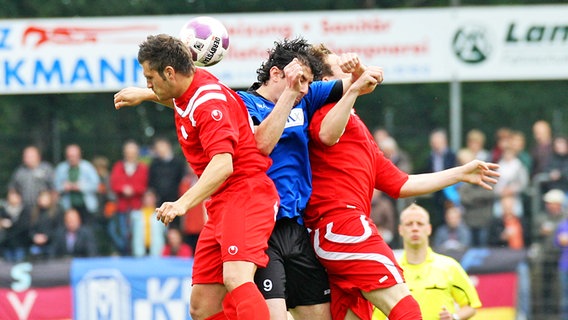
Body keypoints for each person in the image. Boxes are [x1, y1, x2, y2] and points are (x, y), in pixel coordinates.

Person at [304, 45, 498, 320]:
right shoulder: (325, 110)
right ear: (326, 83)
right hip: (342, 227)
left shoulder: (356, 127)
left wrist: (460, 173)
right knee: (406, 309)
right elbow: (326, 135)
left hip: (338, 233)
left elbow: (401, 184)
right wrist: (354, 88)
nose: (350, 70)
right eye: (340, 67)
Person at [114, 34, 279, 320]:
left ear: (169, 72)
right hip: (222, 201)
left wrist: (181, 204)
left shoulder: (208, 105)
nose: (148, 83)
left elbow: (223, 164)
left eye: (150, 78)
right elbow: (180, 100)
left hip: (245, 194)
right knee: (202, 306)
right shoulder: (187, 87)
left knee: (237, 277)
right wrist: (145, 94)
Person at [373, 204, 482, 320]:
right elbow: (376, 316)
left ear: (429, 229)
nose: (415, 228)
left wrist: (454, 317)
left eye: (420, 224)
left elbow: (472, 305)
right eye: (409, 224)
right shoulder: (390, 272)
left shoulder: (449, 266)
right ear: (400, 229)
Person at [109, 140, 149, 256]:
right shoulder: (118, 166)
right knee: (120, 233)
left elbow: (143, 185)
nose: (130, 155)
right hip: (121, 207)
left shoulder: (142, 168)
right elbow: (114, 184)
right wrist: (123, 189)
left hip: (137, 207)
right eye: (128, 152)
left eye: (133, 152)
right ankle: (124, 254)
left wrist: (133, 190)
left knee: (137, 235)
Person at [534, 189, 566, 316]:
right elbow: (534, 233)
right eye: (547, 203)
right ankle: (544, 313)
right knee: (543, 286)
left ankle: (558, 313)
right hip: (545, 256)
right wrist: (540, 232)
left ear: (559, 204)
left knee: (559, 288)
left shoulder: (565, 217)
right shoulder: (542, 217)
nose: (548, 205)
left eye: (551, 202)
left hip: (562, 257)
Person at [53, 144, 100, 226]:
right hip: (67, 206)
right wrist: (64, 187)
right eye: (69, 156)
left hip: (86, 207)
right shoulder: (61, 168)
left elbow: (96, 185)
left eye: (74, 156)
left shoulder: (88, 167)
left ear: (79, 155)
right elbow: (55, 186)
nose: (72, 158)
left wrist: (81, 187)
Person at [456, 149, 495, 247]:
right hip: (469, 221)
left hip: (484, 220)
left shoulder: (486, 177)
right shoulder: (465, 181)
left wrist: (473, 198)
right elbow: (463, 197)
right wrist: (480, 199)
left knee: (483, 247)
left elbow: (491, 193)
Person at [148, 136, 187, 229]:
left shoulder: (178, 163)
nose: (159, 150)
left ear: (167, 146)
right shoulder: (154, 164)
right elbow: (151, 182)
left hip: (176, 200)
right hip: (159, 202)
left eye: (161, 146)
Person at [29, 190, 63, 260]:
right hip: (36, 244)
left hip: (51, 244)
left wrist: (46, 237)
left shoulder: (56, 213)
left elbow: (58, 229)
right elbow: (30, 229)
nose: (42, 200)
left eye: (45, 198)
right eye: (41, 198)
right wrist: (34, 237)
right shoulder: (34, 213)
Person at [0, 189, 32, 262]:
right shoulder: (3, 210)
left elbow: (25, 226)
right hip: (6, 244)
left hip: (20, 243)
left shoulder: (25, 210)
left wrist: (11, 224)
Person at [136, 189, 167, 256]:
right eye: (146, 198)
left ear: (155, 199)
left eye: (151, 198)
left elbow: (165, 230)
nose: (148, 200)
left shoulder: (161, 214)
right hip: (139, 248)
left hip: (156, 248)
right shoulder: (136, 215)